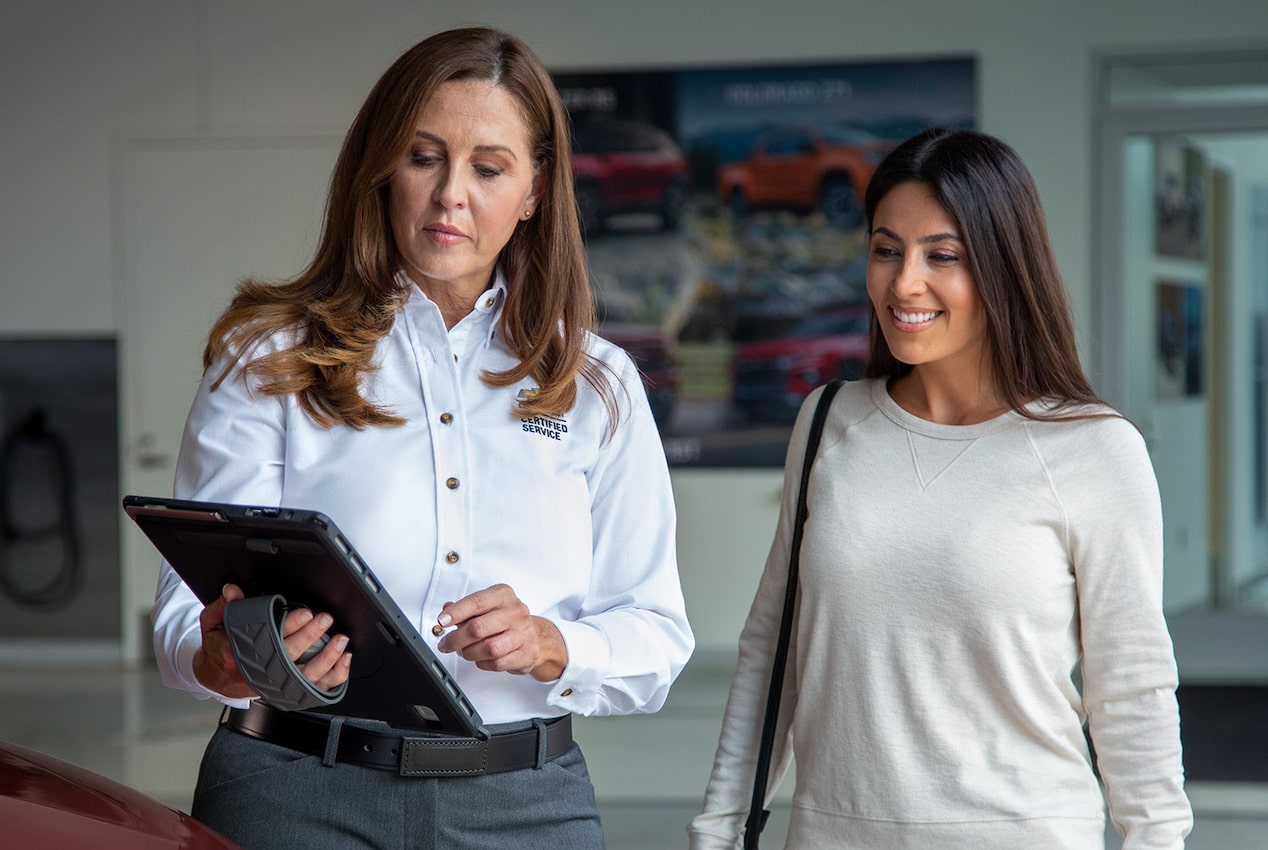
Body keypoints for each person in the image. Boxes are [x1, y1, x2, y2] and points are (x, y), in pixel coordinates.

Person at [150, 26, 694, 850]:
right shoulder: (268, 358)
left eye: (489, 167)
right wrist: (227, 659)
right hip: (291, 794)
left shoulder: (598, 382)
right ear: (379, 167)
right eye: (424, 156)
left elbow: (656, 637)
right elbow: (181, 623)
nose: (451, 197)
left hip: (528, 804)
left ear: (536, 190)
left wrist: (554, 644)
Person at [689, 128, 1192, 849]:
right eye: (886, 249)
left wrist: (1156, 838)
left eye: (942, 256)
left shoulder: (1093, 448)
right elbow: (773, 654)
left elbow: (1133, 685)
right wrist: (717, 830)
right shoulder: (829, 422)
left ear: (1004, 267)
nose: (904, 283)